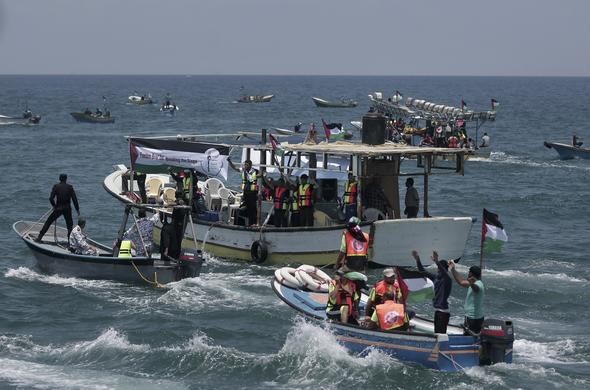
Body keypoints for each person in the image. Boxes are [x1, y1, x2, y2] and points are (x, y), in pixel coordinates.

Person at [412, 250, 452, 334]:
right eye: (438, 268)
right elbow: (422, 271)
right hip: (437, 311)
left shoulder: (447, 279)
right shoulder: (435, 278)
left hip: (443, 312)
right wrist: (417, 259)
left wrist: (437, 261)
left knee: (440, 334)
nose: (438, 270)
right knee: (436, 334)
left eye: (440, 268)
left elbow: (444, 272)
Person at [36, 173, 80, 242]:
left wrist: (54, 206)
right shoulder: (70, 187)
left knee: (48, 222)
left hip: (58, 208)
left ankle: (39, 238)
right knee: (69, 226)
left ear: (59, 179)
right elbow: (74, 200)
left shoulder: (56, 186)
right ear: (66, 179)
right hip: (67, 209)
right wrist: (77, 210)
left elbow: (51, 198)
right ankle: (70, 242)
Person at [448, 262, 485, 334]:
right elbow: (461, 282)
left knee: (468, 337)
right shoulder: (477, 282)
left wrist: (471, 284)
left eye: (469, 272)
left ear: (471, 273)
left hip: (472, 318)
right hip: (477, 317)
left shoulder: (478, 285)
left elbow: (476, 288)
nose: (468, 273)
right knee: (474, 337)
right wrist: (453, 269)